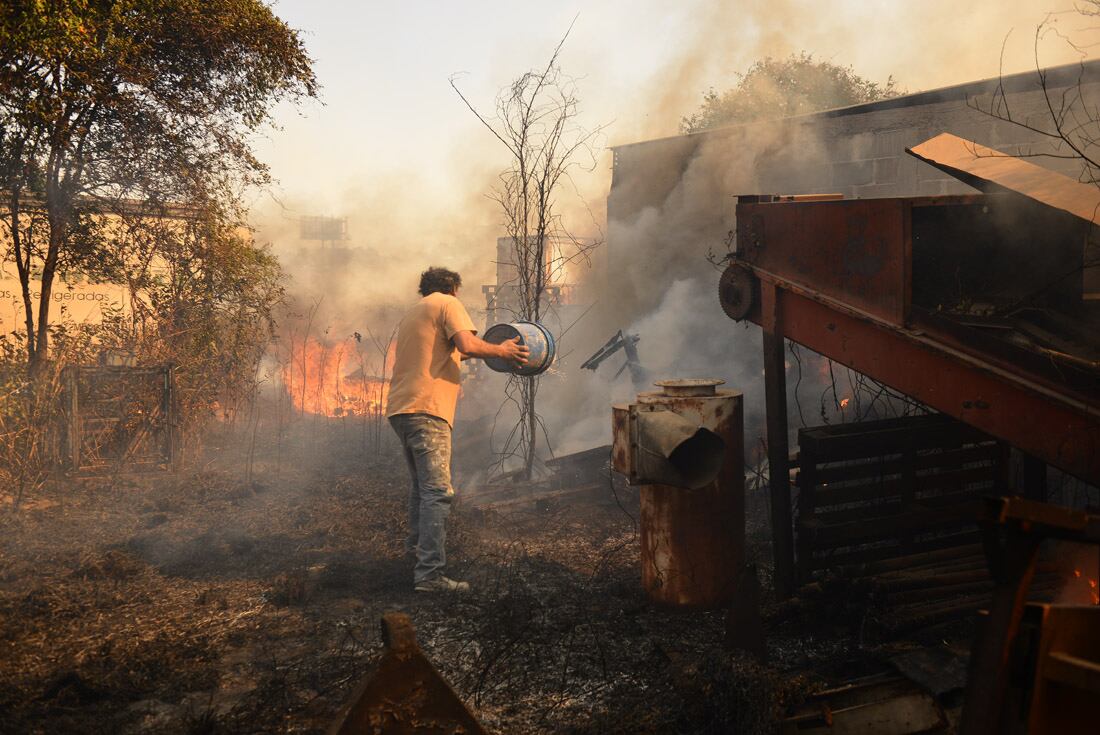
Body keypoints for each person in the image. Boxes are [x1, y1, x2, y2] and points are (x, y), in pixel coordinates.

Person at [386, 266, 529, 593]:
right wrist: (503, 350)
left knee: (421, 489)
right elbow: (467, 345)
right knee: (438, 492)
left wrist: (484, 353)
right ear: (453, 289)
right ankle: (430, 576)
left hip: (401, 408)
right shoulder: (447, 303)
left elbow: (444, 355)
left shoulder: (415, 313)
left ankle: (415, 558)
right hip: (428, 408)